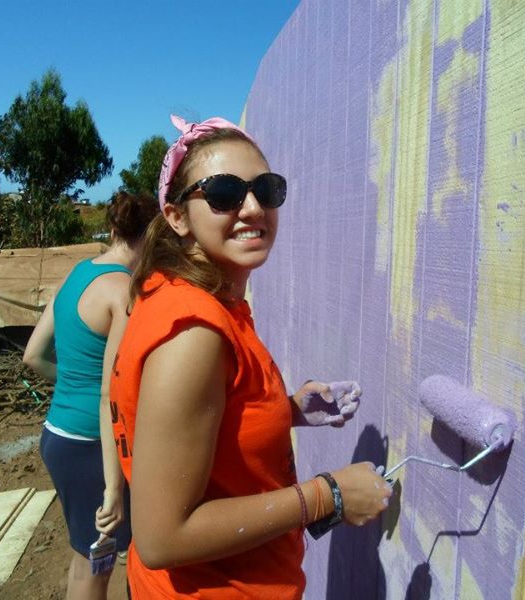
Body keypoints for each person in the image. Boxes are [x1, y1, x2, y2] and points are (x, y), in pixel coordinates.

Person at [109, 116, 392, 599]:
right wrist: (330, 495)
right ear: (177, 216)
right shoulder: (194, 331)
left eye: (266, 188)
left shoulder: (200, 299)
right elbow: (161, 536)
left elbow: (197, 428)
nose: (254, 207)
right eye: (224, 193)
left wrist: (285, 410)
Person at [23, 191, 158, 600]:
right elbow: (109, 397)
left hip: (58, 437)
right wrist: (114, 490)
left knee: (85, 556)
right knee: (97, 565)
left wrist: (72, 388)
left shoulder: (77, 273)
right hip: (94, 450)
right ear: (152, 235)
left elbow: (33, 355)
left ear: (114, 229)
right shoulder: (125, 294)